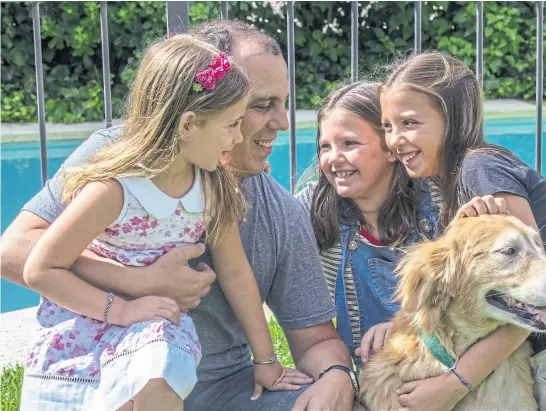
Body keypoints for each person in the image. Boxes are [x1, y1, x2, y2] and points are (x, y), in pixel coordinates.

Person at [0, 21, 356, 411]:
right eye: (260, 105)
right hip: (110, 368)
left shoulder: (272, 210)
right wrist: (137, 282)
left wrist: (335, 376)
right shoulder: (118, 164)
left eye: (283, 102)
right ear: (194, 116)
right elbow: (16, 252)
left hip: (227, 389)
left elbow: (314, 338)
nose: (283, 122)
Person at [380, 51, 546, 410]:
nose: (394, 140)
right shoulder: (443, 184)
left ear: (451, 119)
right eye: (388, 126)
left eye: (409, 123)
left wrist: (454, 384)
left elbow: (534, 284)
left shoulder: (479, 169)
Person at [296, 81, 438, 367]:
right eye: (325, 146)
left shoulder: (435, 206)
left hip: (433, 365)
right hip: (362, 373)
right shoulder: (317, 205)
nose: (333, 159)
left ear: (390, 148)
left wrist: (406, 327)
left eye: (349, 143)